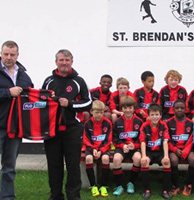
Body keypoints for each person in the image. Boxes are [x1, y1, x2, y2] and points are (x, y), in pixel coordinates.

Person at [42, 49, 92, 200]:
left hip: (73, 129)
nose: (64, 63)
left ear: (72, 62)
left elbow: (88, 102)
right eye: (61, 60)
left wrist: (69, 104)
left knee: (72, 165)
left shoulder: (79, 81)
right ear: (56, 61)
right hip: (52, 129)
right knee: (54, 165)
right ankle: (56, 195)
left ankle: (73, 196)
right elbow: (40, 101)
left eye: (67, 60)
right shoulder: (48, 80)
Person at [0, 40, 33, 199]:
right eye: (6, 54)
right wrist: (8, 92)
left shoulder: (23, 74)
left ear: (17, 55)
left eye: (12, 55)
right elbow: (10, 93)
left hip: (15, 128)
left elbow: (30, 95)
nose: (8, 57)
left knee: (9, 167)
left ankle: (7, 197)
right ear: (1, 54)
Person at [112, 96, 143, 196]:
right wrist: (122, 146)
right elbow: (115, 138)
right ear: (122, 109)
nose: (128, 110)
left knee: (138, 158)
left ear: (134, 108)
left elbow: (142, 139)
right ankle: (119, 185)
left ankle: (131, 183)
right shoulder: (117, 122)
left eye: (130, 108)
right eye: (125, 108)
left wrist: (135, 145)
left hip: (134, 147)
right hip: (122, 147)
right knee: (116, 159)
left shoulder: (139, 121)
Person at [139, 103, 172, 199]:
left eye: (157, 114)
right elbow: (143, 142)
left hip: (160, 151)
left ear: (160, 115)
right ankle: (146, 190)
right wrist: (144, 156)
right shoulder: (144, 126)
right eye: (152, 115)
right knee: (144, 162)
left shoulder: (164, 125)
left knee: (167, 163)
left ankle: (165, 190)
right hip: (149, 151)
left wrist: (166, 156)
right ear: (148, 116)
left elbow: (165, 141)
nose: (154, 117)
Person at [166, 100, 194, 196]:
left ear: (186, 110)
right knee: (173, 160)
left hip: (187, 149)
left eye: (182, 108)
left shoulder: (191, 123)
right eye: (177, 108)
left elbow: (192, 139)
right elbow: (167, 140)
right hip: (174, 149)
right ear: (173, 109)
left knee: (193, 160)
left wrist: (185, 151)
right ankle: (175, 185)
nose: (179, 110)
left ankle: (188, 184)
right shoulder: (168, 123)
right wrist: (175, 150)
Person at [83, 100, 112, 197]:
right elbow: (86, 139)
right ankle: (93, 186)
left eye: (101, 112)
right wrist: (93, 149)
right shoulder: (87, 124)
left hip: (103, 148)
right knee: (88, 158)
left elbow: (108, 140)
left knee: (105, 158)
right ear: (91, 112)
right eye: (97, 112)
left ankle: (104, 185)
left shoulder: (107, 123)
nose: (99, 115)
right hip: (91, 147)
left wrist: (101, 150)